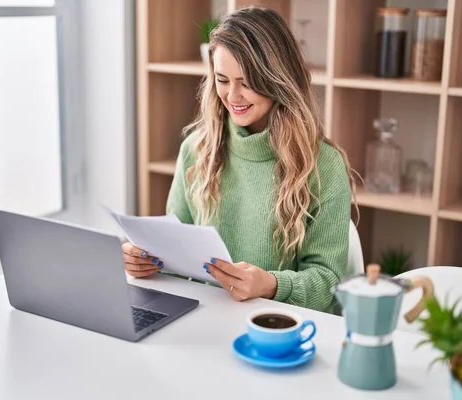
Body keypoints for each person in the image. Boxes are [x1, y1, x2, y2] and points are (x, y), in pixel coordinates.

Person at [122, 6, 356, 314]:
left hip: (281, 328)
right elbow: (176, 254)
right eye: (222, 79)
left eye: (246, 82)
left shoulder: (324, 165)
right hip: (206, 320)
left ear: (278, 78)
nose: (233, 95)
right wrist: (148, 260)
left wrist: (271, 285)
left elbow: (327, 283)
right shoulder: (197, 149)